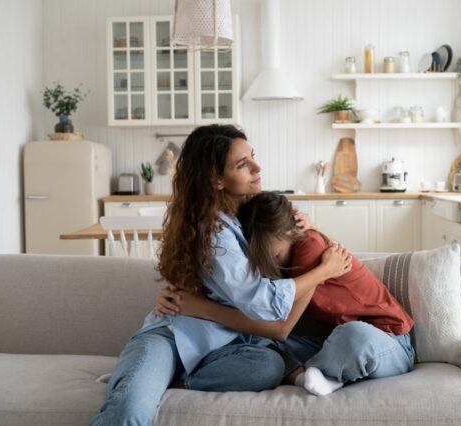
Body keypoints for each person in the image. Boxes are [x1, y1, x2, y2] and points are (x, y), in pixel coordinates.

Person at [91, 125, 352, 426]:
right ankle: (140, 378)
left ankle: (169, 382)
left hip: (226, 346)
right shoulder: (214, 233)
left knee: (267, 365)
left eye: (252, 157)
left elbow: (278, 244)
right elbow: (263, 303)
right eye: (243, 165)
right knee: (131, 409)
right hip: (173, 337)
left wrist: (305, 223)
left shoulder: (243, 212)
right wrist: (324, 271)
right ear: (216, 180)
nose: (257, 167)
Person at [159, 191, 416, 396]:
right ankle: (311, 373)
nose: (275, 267)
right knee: (253, 340)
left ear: (292, 231)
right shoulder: (289, 247)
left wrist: (200, 308)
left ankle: (306, 373)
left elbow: (280, 327)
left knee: (354, 336)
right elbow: (265, 311)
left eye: (276, 256)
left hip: (389, 341)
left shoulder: (308, 250)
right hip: (328, 340)